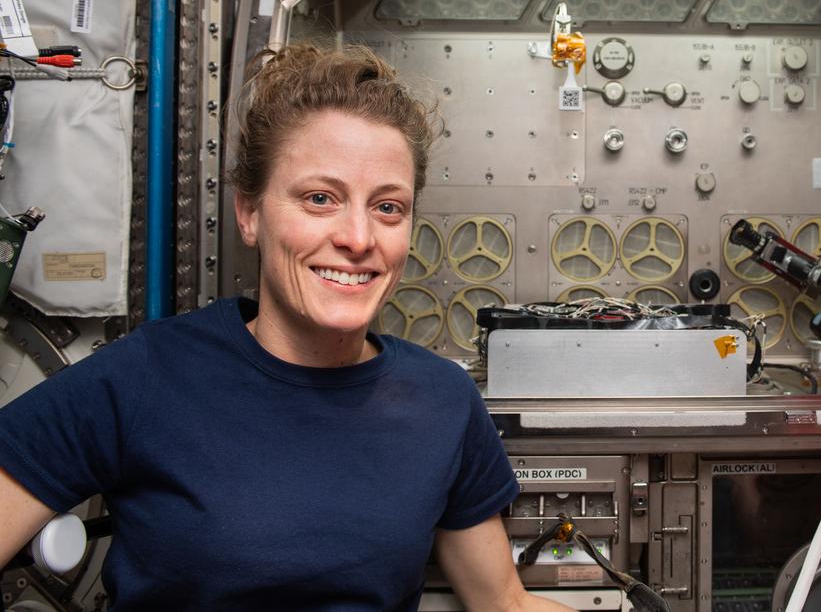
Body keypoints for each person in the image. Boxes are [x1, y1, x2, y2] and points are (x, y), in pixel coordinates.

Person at [0, 44, 569, 611]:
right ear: (250, 213)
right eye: (320, 199)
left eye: (388, 207)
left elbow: (502, 602)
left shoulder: (443, 399)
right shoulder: (147, 374)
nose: (358, 238)